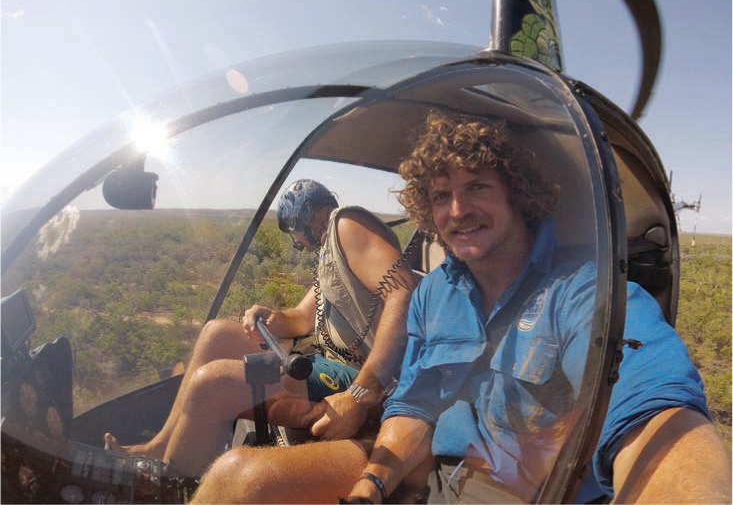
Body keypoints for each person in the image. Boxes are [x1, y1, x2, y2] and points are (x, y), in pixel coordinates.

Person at [191, 111, 730, 504]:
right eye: (441, 194)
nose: (458, 209)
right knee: (239, 479)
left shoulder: (582, 293)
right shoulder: (437, 292)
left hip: (524, 493)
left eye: (478, 187)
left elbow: (660, 423)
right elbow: (416, 403)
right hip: (429, 472)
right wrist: (369, 487)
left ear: (518, 195)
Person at [104, 179, 415, 477]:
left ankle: (166, 485)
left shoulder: (346, 224)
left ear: (305, 217)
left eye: (295, 232)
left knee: (211, 384)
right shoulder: (330, 250)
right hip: (329, 365)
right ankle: (160, 448)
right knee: (216, 333)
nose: (298, 242)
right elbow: (302, 319)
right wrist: (269, 316)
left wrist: (360, 393)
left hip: (361, 378)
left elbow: (403, 292)